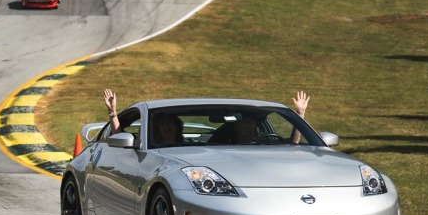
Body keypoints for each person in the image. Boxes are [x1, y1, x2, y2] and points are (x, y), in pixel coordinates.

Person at [105, 88, 311, 145]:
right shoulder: (146, 144)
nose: (167, 125)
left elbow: (294, 145)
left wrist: (299, 116)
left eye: (252, 123)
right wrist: (113, 113)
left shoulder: (267, 143)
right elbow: (119, 136)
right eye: (163, 122)